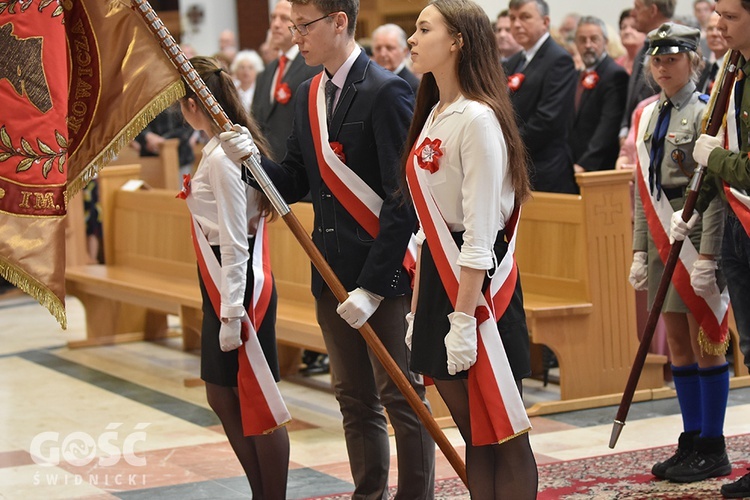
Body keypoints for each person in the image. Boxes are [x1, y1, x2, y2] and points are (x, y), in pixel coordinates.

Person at [221, 0, 437, 497]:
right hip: (330, 271)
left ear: (339, 22)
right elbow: (296, 180)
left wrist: (373, 285)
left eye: (304, 25)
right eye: (293, 26)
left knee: (401, 396)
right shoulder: (307, 94)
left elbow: (403, 200)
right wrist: (252, 160)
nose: (296, 35)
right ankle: (369, 493)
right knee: (354, 399)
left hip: (382, 277)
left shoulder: (387, 91)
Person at [403, 0, 537, 497]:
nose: (412, 39)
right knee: (475, 436)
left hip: (477, 286)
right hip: (443, 275)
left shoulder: (478, 118)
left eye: (423, 29)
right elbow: (428, 220)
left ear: (457, 40)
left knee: (503, 434)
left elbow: (480, 232)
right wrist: (425, 304)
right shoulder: (437, 111)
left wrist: (464, 320)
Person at [178, 56, 290, 499]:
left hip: (238, 283)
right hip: (221, 279)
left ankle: (271, 494)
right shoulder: (217, 148)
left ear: (192, 105)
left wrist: (230, 313)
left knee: (254, 397)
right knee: (222, 394)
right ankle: (260, 491)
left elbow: (236, 238)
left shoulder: (224, 155)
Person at [629, 23, 731, 484]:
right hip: (661, 236)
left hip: (696, 236)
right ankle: (691, 438)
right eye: (657, 59)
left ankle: (714, 443)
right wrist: (637, 248)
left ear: (695, 60)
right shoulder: (648, 114)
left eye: (673, 58)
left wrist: (708, 256)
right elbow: (641, 188)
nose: (663, 67)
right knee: (679, 347)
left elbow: (714, 191)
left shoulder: (709, 113)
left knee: (706, 341)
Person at [668, 0, 750, 495]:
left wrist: (716, 158)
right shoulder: (732, 68)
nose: (718, 25)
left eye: (731, 17)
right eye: (716, 14)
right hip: (737, 223)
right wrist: (698, 207)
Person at [503, 0, 578, 194]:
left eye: (525, 17)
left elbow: (548, 120)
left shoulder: (559, 60)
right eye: (513, 18)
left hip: (545, 169)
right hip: (516, 165)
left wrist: (506, 144)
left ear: (545, 22)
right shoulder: (514, 61)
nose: (517, 24)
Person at [251, 0, 321, 164]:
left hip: (300, 170)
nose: (275, 24)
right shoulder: (265, 73)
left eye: (283, 18)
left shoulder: (313, 66)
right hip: (267, 169)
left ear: (299, 23)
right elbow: (257, 122)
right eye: (273, 17)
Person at [570, 16, 629, 172]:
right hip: (573, 162)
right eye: (582, 40)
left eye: (594, 39)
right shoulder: (577, 75)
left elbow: (609, 124)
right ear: (576, 44)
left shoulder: (615, 74)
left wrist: (585, 163)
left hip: (598, 167)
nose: (588, 45)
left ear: (605, 42)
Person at [620, 0, 675, 144]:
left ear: (652, 11)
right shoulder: (644, 47)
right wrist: (625, 128)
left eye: (637, 8)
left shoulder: (675, 48)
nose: (632, 13)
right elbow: (633, 95)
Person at [371, 23, 421, 93]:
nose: (382, 54)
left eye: (389, 48)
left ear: (404, 52)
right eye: (378, 48)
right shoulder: (369, 82)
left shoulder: (414, 86)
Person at [699, 11, 728, 94]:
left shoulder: (736, 69)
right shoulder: (705, 68)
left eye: (719, 29)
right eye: (710, 29)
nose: (714, 34)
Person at [231, 49, 265, 114]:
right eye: (242, 67)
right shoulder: (232, 88)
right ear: (236, 70)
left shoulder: (261, 90)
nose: (246, 71)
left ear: (256, 71)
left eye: (250, 67)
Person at [615, 9, 647, 75]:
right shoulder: (617, 64)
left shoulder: (649, 63)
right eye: (623, 27)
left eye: (634, 27)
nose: (627, 31)